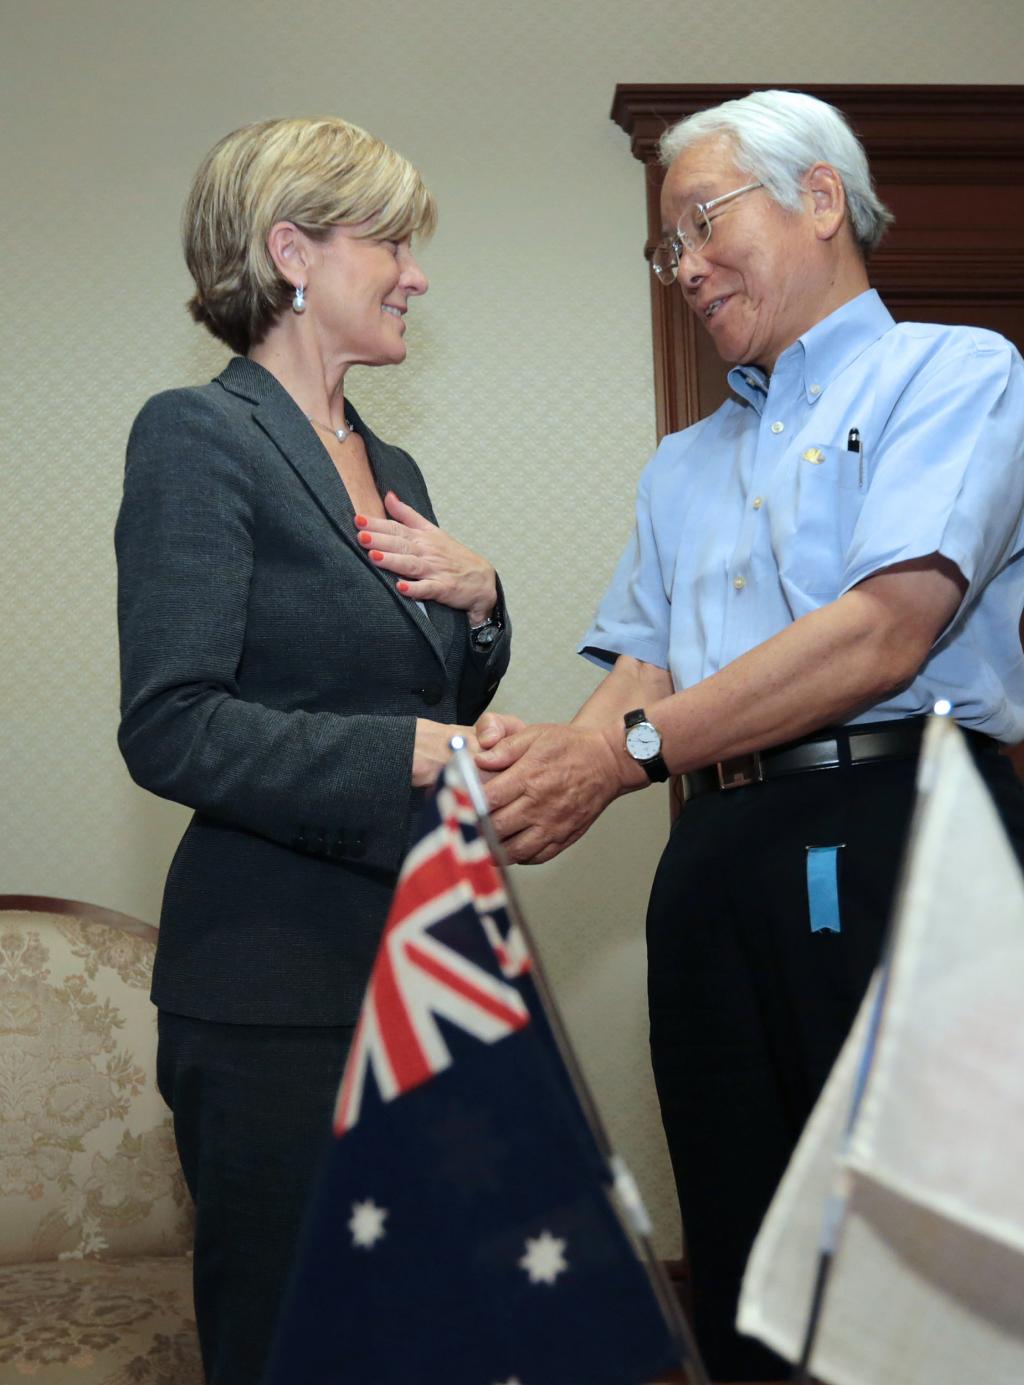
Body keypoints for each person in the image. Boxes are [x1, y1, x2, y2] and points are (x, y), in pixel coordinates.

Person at [477, 89, 1024, 1380]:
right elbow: (644, 673)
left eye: (700, 223)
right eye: (665, 247)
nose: (683, 266)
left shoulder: (955, 373)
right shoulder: (683, 462)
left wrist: (618, 757)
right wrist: (524, 785)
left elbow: (883, 632)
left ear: (822, 198)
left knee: (913, 1261)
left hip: (902, 826)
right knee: (747, 1257)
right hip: (714, 852)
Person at [115, 117, 509, 1385]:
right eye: (390, 240)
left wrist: (484, 601)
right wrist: (407, 749)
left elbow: (433, 681)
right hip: (275, 994)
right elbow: (171, 722)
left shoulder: (392, 462)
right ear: (290, 250)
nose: (416, 271)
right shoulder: (197, 435)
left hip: (426, 963)